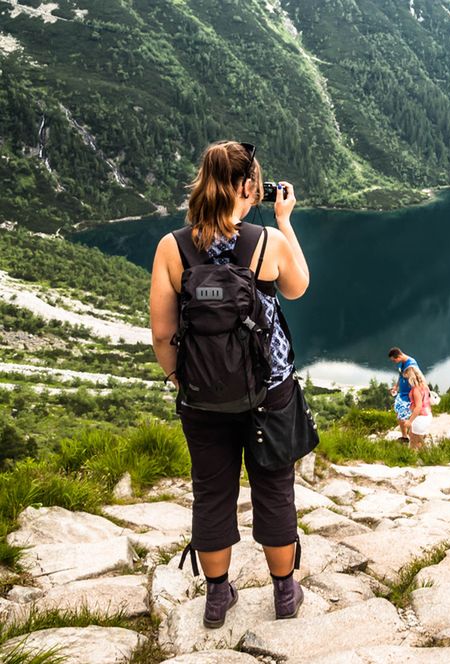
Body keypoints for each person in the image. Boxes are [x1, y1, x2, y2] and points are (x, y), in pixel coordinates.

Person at [149, 140, 310, 628]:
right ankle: (284, 591)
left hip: (201, 396)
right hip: (269, 392)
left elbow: (161, 331)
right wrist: (284, 220)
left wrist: (181, 377)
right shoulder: (266, 243)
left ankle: (217, 598)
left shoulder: (173, 247)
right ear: (249, 189)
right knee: (275, 487)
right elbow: (298, 286)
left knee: (212, 491)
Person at [388, 347, 419, 442]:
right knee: (399, 414)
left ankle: (415, 436)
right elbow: (400, 375)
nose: (394, 362)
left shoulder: (411, 364)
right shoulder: (402, 363)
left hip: (409, 395)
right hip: (402, 393)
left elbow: (416, 380)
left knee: (405, 416)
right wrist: (396, 386)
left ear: (399, 356)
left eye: (394, 360)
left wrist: (414, 395)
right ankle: (404, 436)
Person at [406, 365, 433, 450]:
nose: (407, 381)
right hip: (427, 415)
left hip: (420, 418)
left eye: (407, 378)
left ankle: (413, 460)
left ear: (411, 378)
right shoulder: (425, 386)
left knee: (414, 442)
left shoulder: (416, 390)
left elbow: (418, 407)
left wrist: (410, 421)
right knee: (417, 439)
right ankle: (426, 456)